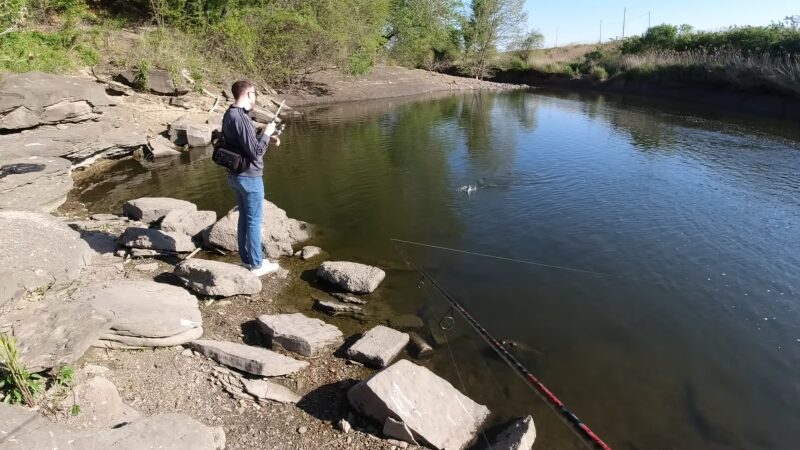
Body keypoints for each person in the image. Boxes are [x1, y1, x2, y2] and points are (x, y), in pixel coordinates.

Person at [222, 80, 280, 276]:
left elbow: (242, 140)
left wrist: (264, 136)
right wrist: (267, 134)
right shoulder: (241, 118)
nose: (255, 98)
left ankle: (247, 260)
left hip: (235, 176)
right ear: (247, 94)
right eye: (254, 94)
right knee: (254, 221)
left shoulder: (230, 113)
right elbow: (256, 152)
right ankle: (257, 265)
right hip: (249, 177)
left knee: (245, 219)